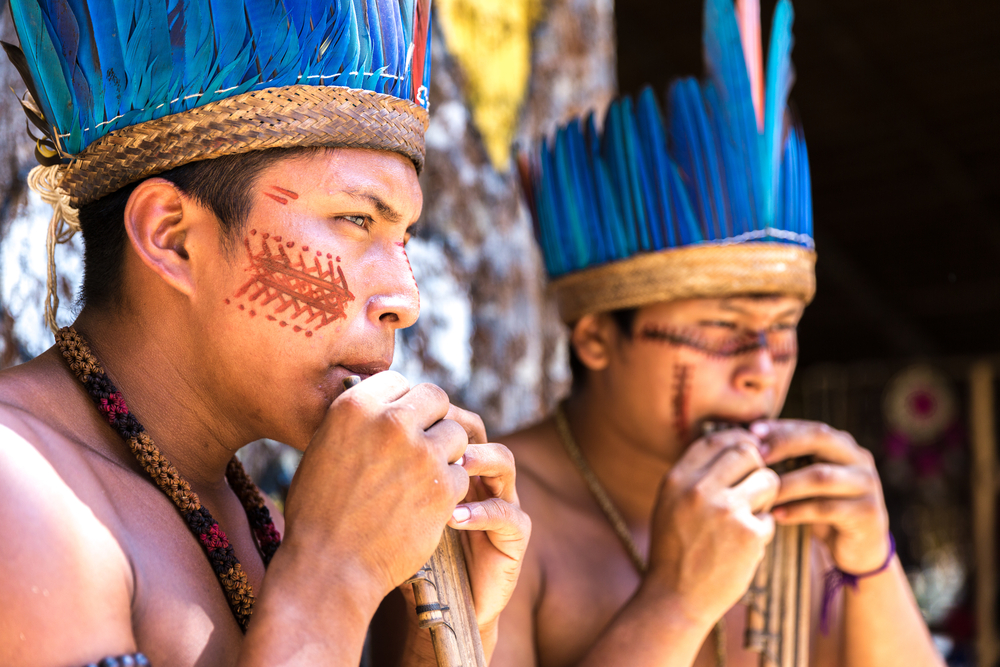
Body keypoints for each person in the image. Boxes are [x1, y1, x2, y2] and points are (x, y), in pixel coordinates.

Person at [0, 2, 529, 666]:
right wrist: (334, 574)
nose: (406, 298)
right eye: (356, 219)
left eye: (405, 238)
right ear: (172, 237)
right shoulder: (19, 488)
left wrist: (437, 635)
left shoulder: (245, 520)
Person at [493, 0, 941, 665]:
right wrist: (679, 599)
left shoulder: (803, 518)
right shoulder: (497, 513)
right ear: (595, 339)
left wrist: (872, 563)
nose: (762, 367)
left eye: (783, 328)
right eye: (725, 330)